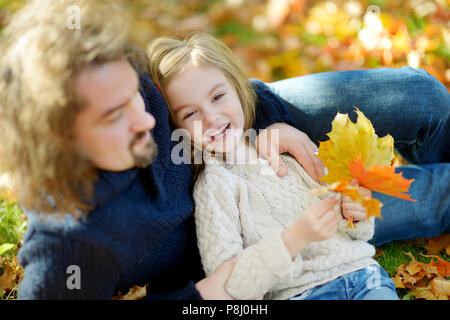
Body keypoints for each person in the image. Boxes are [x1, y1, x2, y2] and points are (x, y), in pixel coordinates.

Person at [0, 0, 447, 300]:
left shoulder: (110, 70)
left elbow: (197, 93)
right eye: (115, 115)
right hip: (247, 219)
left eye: (136, 95)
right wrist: (203, 294)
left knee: (421, 94)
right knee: (433, 195)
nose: (149, 120)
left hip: (247, 134)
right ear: (57, 141)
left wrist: (267, 125)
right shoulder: (68, 247)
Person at [147, 33, 400, 300]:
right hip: (299, 294)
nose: (211, 117)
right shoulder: (214, 187)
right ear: (178, 128)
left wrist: (357, 213)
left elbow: (354, 227)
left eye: (218, 96)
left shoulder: (286, 147)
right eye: (190, 113)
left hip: (363, 275)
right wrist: (294, 239)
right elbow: (231, 284)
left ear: (238, 88)